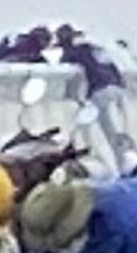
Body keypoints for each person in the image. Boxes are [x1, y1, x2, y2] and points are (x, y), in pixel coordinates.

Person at [54, 24, 131, 171]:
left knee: (108, 132)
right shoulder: (92, 48)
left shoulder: (71, 53)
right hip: (118, 88)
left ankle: (119, 166)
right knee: (122, 130)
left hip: (100, 91)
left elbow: (65, 76)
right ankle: (127, 162)